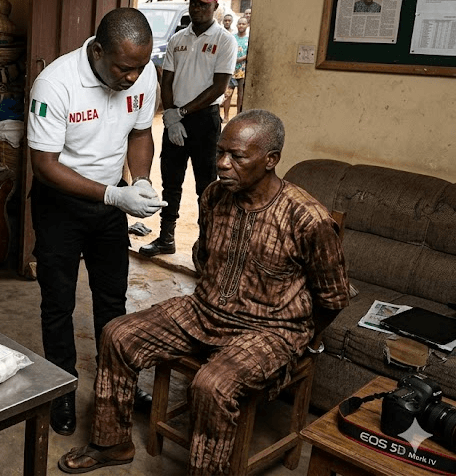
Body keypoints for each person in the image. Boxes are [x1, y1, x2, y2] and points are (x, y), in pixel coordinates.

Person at [58, 110, 350, 475]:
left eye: (237, 156)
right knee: (117, 334)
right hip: (206, 310)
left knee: (211, 386)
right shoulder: (214, 195)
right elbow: (205, 256)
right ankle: (111, 443)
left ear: (271, 160)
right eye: (220, 152)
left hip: (271, 330)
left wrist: (296, 339)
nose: (223, 164)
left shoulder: (307, 218)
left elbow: (333, 298)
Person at [27, 7, 167, 436]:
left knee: (112, 299)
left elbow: (140, 133)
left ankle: (117, 384)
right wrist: (112, 194)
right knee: (58, 303)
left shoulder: (142, 73)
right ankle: (62, 388)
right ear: (98, 51)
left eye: (140, 67)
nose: (132, 77)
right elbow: (44, 165)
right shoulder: (56, 83)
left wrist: (139, 181)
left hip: (111, 203)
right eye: (124, 68)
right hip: (60, 204)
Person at [140, 0, 237, 257]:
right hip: (176, 118)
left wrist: (181, 113)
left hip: (204, 121)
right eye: (193, 3)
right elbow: (167, 80)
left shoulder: (225, 41)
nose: (197, 8)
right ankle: (166, 238)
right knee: (171, 182)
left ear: (215, 7)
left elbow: (219, 87)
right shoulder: (177, 39)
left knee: (206, 185)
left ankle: (206, 246)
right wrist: (171, 116)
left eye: (203, 4)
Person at [223, 18, 249, 120]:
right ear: (237, 25)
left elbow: (249, 53)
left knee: (241, 95)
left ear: (247, 25)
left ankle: (238, 116)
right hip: (231, 71)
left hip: (243, 71)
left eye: (243, 24)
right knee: (228, 93)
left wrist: (240, 59)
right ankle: (226, 116)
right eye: (239, 24)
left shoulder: (248, 39)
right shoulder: (232, 38)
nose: (241, 25)